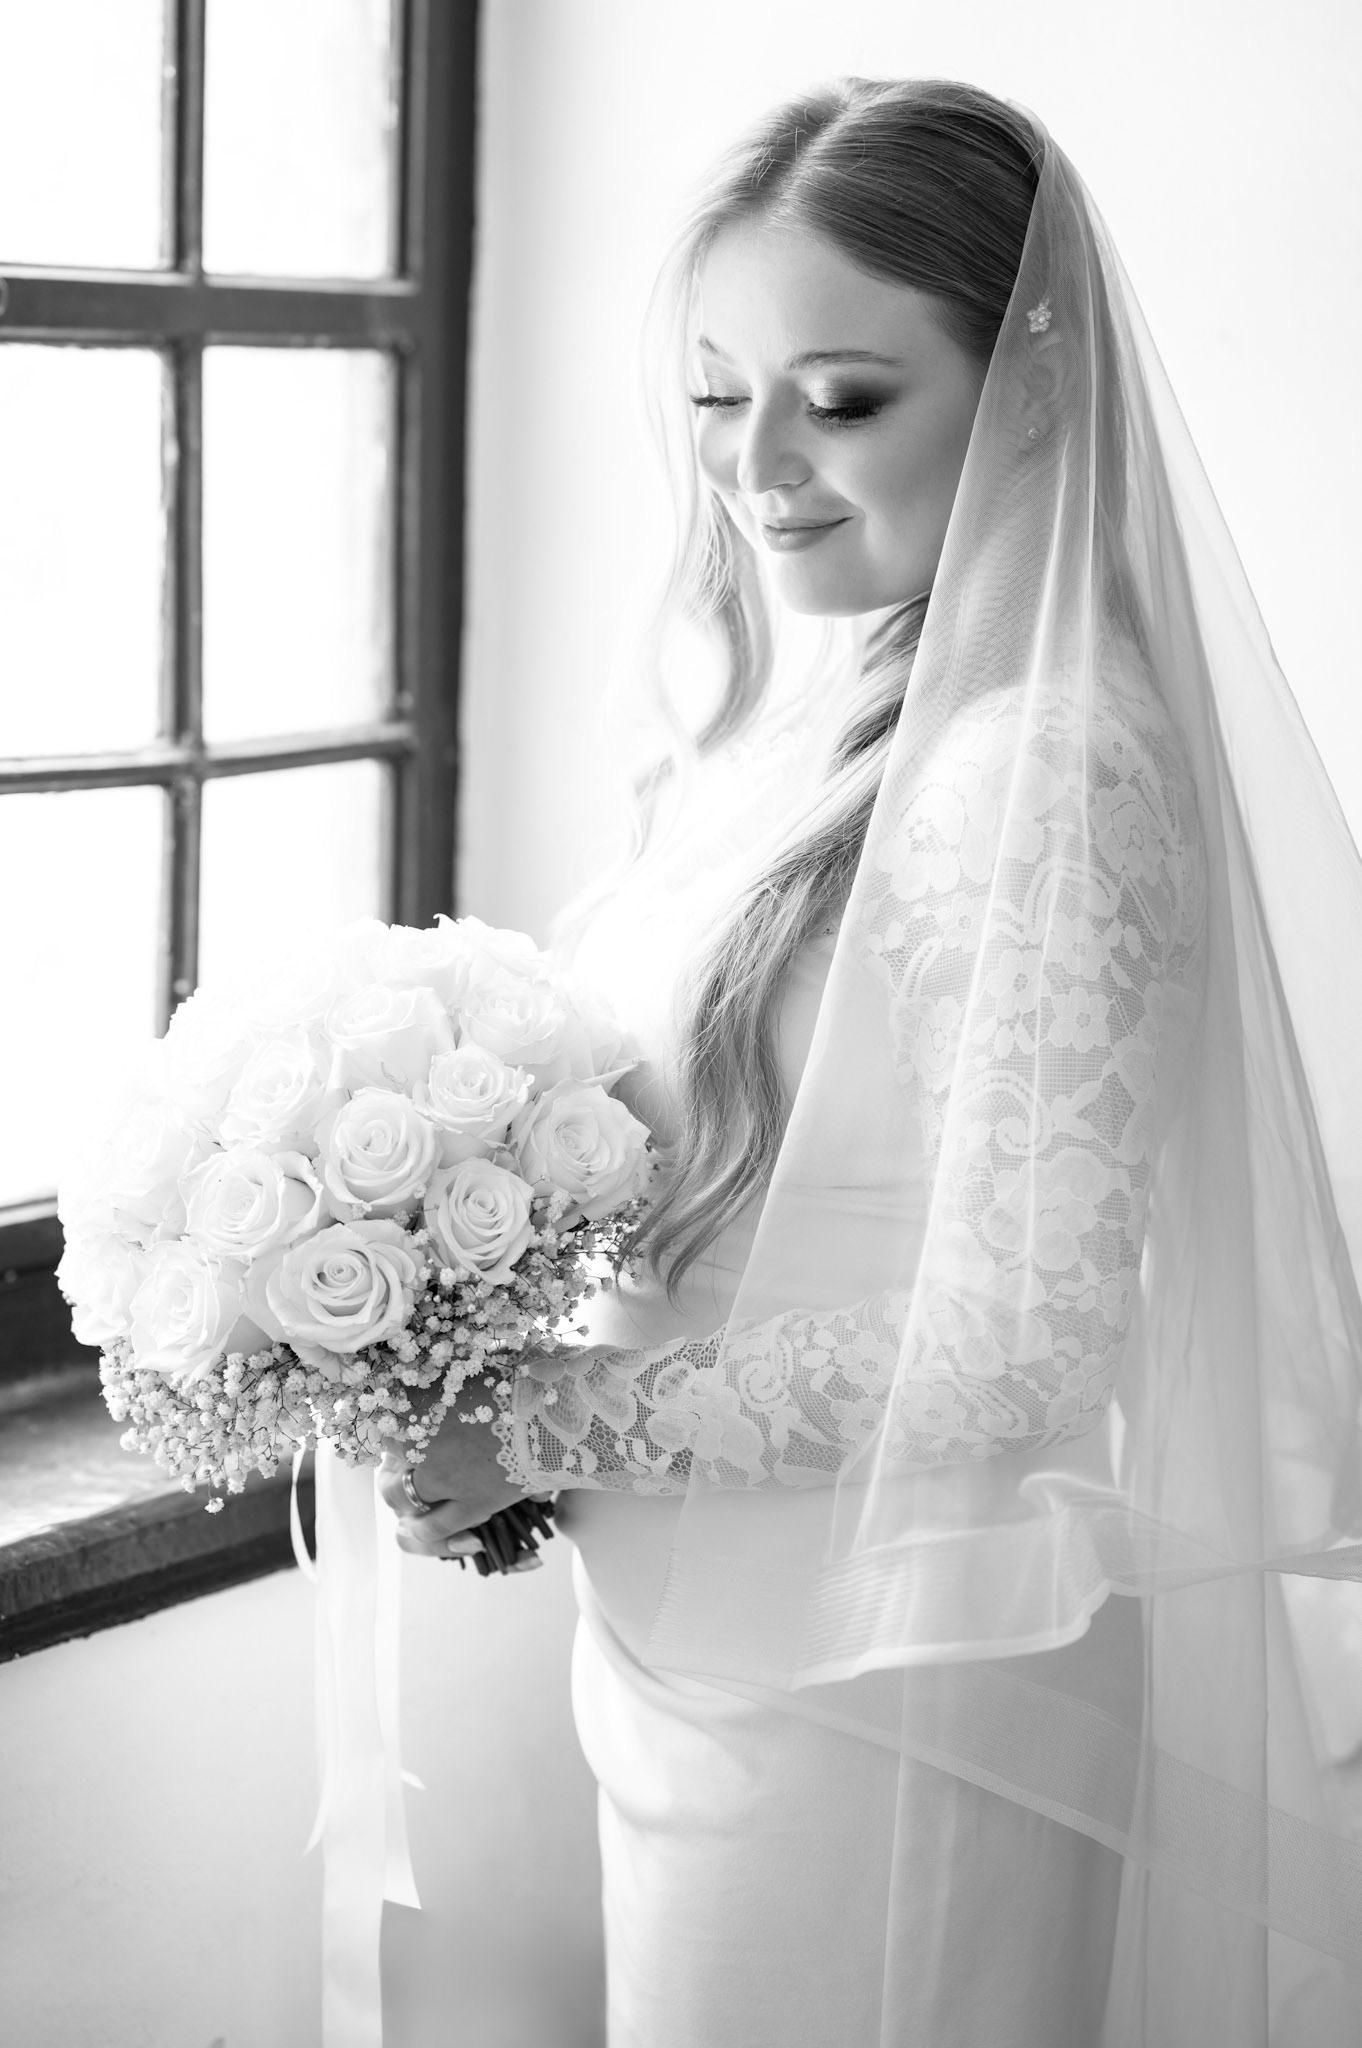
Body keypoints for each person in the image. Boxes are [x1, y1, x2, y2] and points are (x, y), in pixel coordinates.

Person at [382, 77, 1362, 2047]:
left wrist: (551, 1423)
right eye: (717, 394)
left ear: (1029, 391)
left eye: (840, 400)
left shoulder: (1032, 771)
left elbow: (1015, 1342)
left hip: (899, 1674)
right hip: (714, 1636)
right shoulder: (821, 725)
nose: (758, 468)